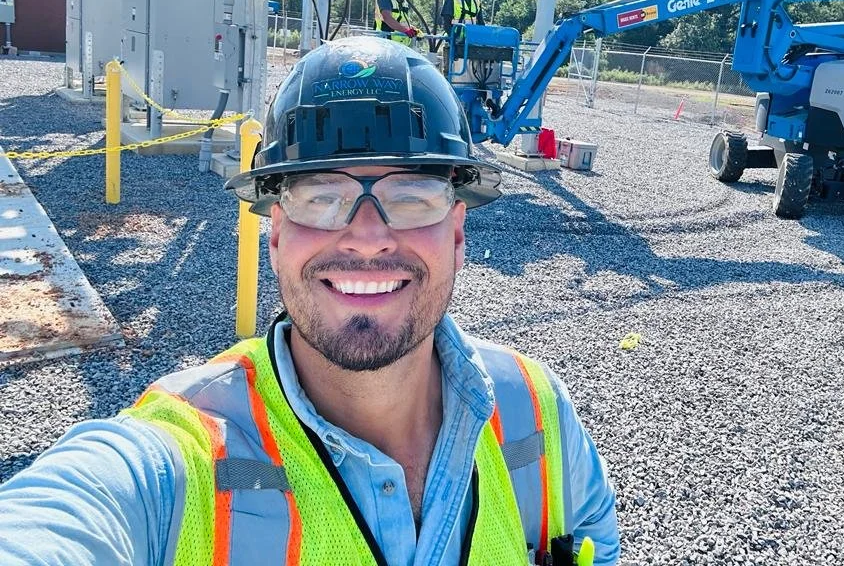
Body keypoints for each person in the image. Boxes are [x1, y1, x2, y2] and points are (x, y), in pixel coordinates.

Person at [0, 37, 620, 566]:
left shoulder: (536, 415)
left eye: (412, 195)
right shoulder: (182, 458)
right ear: (275, 237)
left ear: (457, 232)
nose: (369, 236)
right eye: (320, 195)